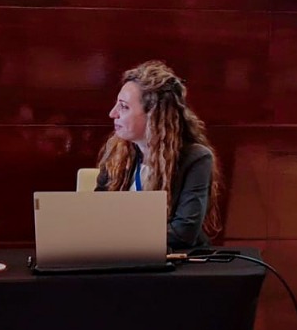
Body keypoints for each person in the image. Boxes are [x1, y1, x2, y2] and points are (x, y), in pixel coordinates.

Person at [95, 60, 222, 250]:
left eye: (124, 107)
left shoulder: (196, 158)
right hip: (119, 259)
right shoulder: (116, 153)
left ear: (153, 115)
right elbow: (95, 219)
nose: (112, 113)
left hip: (172, 267)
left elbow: (183, 233)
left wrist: (117, 237)